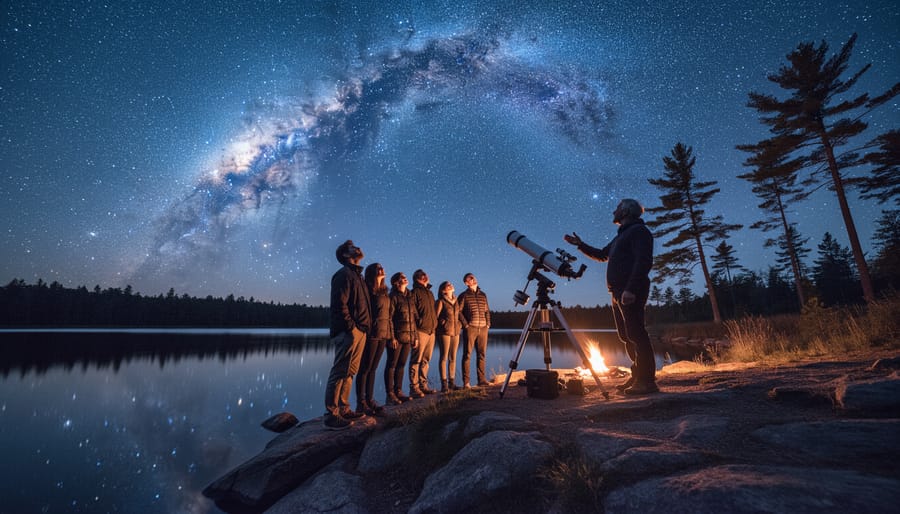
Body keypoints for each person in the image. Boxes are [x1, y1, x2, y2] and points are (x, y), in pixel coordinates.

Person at [564, 198, 658, 395]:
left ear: (625, 211)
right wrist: (580, 245)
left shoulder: (639, 232)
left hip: (630, 290)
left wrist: (631, 289)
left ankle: (647, 382)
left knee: (637, 334)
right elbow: (601, 255)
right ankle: (637, 375)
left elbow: (644, 261)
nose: (613, 211)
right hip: (617, 292)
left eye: (616, 208)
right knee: (626, 336)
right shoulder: (620, 237)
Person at [324, 240, 371, 430]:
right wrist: (350, 327)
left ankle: (344, 408)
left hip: (360, 330)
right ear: (345, 255)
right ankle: (331, 414)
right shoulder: (343, 275)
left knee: (350, 371)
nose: (358, 248)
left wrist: (363, 327)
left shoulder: (357, 276)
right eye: (353, 248)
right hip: (348, 331)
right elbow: (339, 305)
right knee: (339, 371)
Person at [356, 263, 390, 417]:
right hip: (371, 333)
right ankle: (360, 403)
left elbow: (388, 315)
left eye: (382, 267)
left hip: (383, 333)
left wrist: (389, 334)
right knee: (365, 368)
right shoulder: (367, 289)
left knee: (373, 368)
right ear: (371, 272)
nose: (382, 269)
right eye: (378, 268)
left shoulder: (384, 291)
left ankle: (370, 399)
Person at [457, 273, 491, 387]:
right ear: (466, 283)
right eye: (470, 278)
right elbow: (458, 311)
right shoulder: (464, 295)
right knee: (467, 355)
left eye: (473, 277)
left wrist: (488, 324)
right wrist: (466, 325)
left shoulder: (483, 295)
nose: (473, 279)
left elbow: (487, 311)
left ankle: (481, 380)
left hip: (483, 328)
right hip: (471, 328)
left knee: (482, 354)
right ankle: (466, 382)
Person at [387, 272, 415, 405]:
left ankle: (399, 391)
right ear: (396, 282)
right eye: (402, 278)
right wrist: (392, 337)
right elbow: (389, 318)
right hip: (397, 337)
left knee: (401, 365)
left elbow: (413, 319)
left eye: (405, 276)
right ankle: (390, 394)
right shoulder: (393, 297)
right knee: (392, 365)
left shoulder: (409, 297)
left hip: (408, 337)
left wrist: (414, 337)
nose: (405, 279)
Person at [409, 269, 438, 397]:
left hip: (431, 331)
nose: (426, 276)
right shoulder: (414, 292)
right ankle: (414, 388)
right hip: (420, 331)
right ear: (417, 278)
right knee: (416, 359)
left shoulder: (430, 293)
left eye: (426, 274)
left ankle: (423, 385)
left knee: (426, 360)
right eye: (422, 275)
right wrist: (415, 330)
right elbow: (413, 313)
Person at [435, 281, 462, 392]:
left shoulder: (456, 301)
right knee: (444, 357)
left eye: (451, 284)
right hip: (444, 332)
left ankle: (452, 383)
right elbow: (435, 317)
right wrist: (442, 322)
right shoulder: (440, 301)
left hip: (456, 332)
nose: (450, 285)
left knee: (453, 358)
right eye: (447, 285)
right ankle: (444, 384)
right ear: (443, 290)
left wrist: (460, 325)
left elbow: (459, 314)